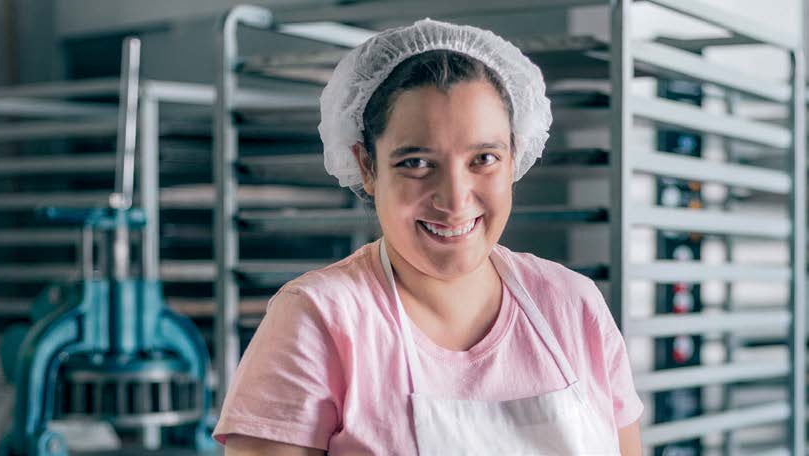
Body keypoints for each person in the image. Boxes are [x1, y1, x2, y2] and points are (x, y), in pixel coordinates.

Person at [212, 18, 644, 455]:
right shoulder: (318, 320)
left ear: (514, 158)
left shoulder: (574, 306)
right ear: (367, 166)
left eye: (484, 158)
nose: (455, 200)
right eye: (416, 162)